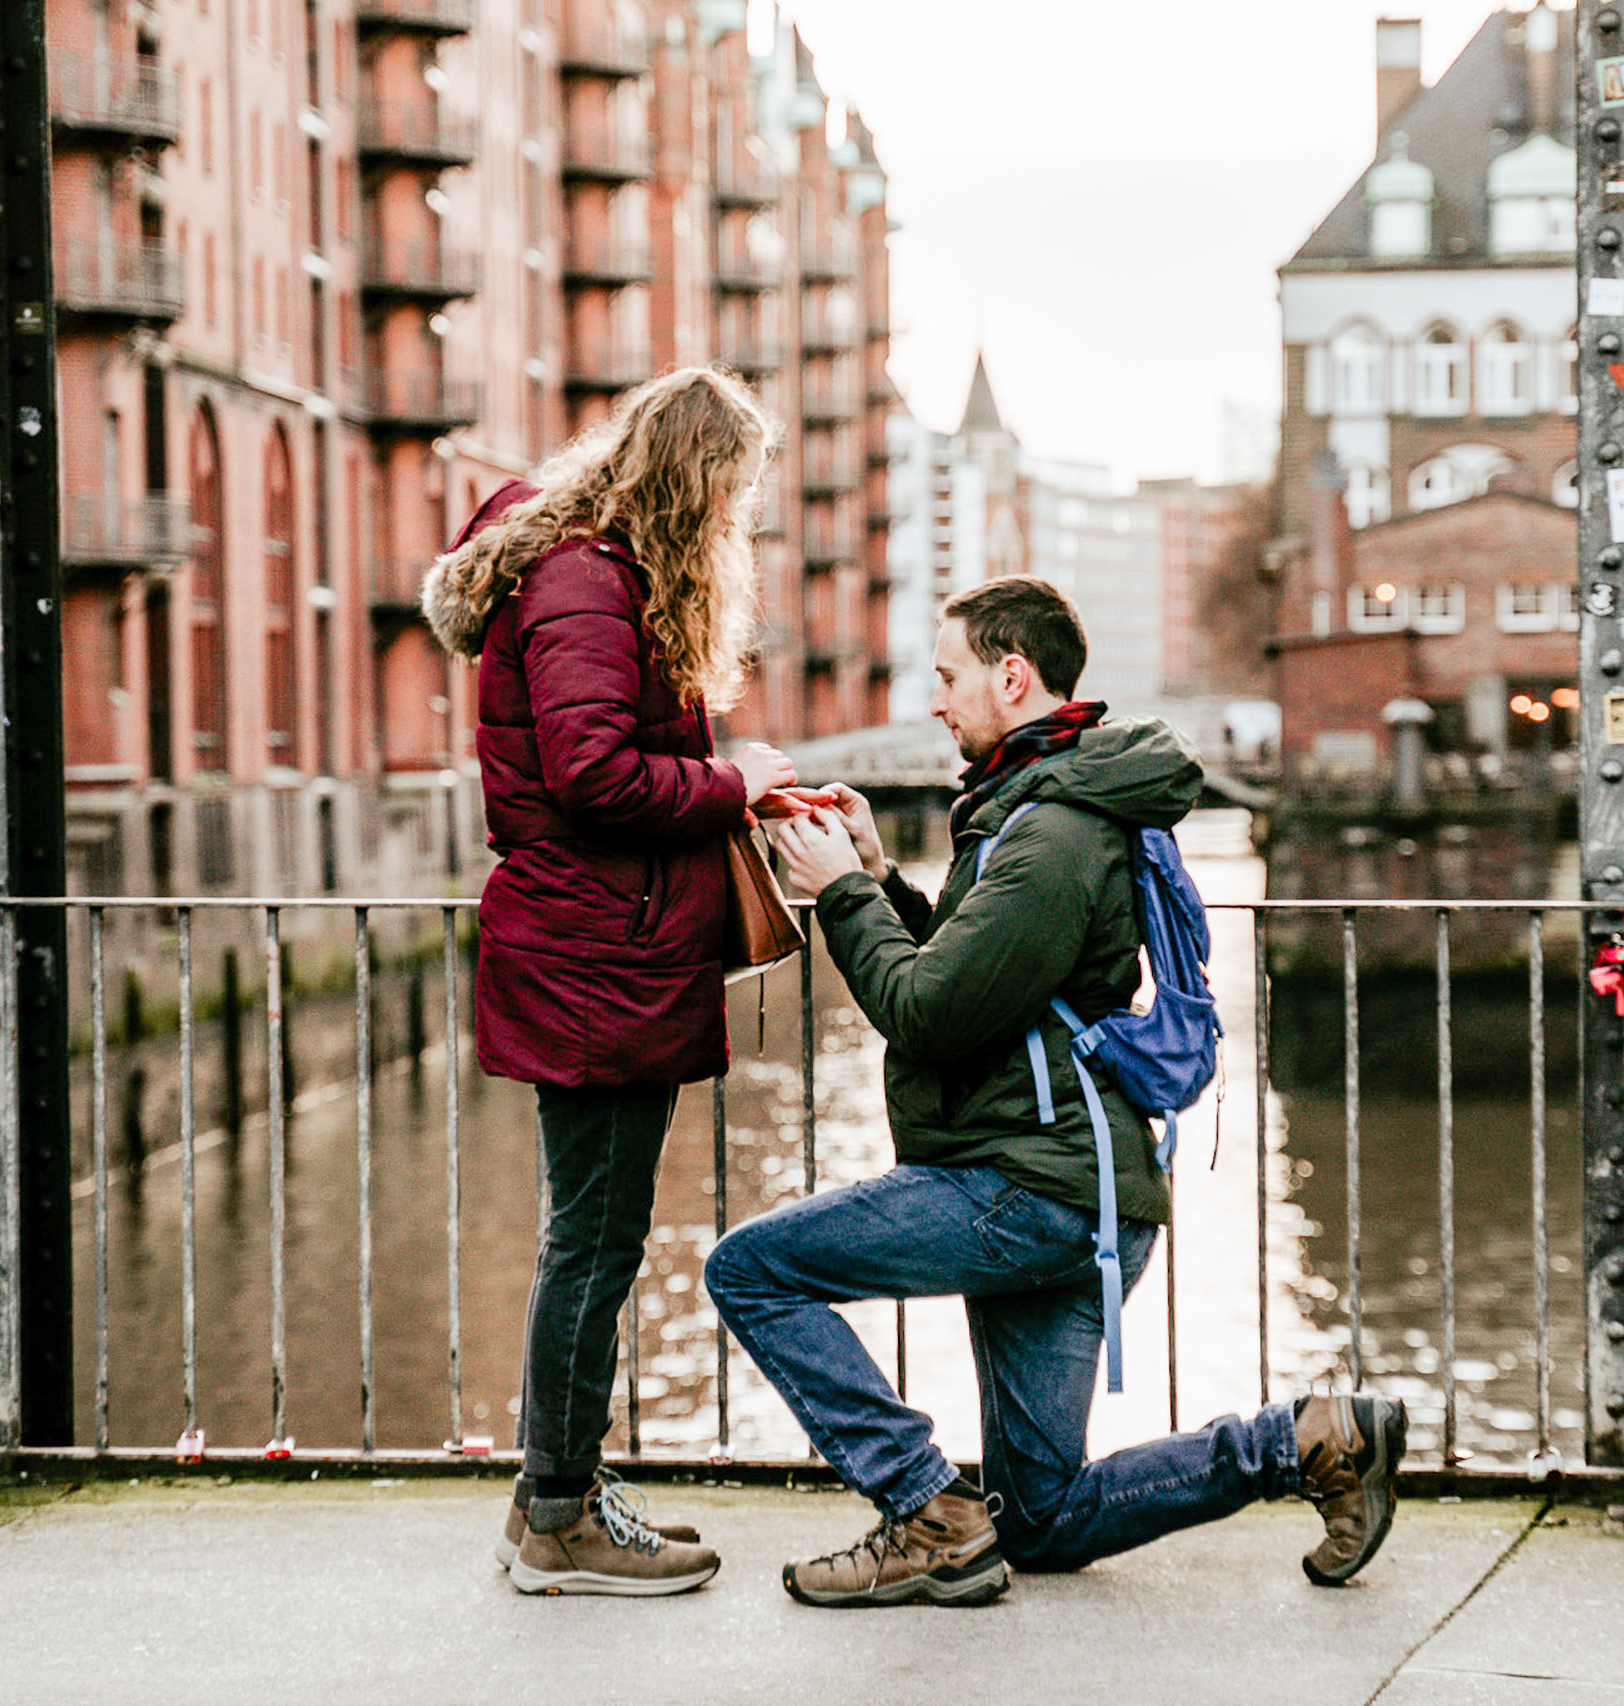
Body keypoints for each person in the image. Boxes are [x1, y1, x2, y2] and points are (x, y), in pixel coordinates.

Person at [704, 577, 1405, 1608]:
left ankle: (924, 1510)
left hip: (1027, 1186)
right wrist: (878, 871)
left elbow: (930, 1011)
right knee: (1039, 1517)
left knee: (750, 1269)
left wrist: (840, 897)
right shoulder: (1033, 804)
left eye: (947, 677)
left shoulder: (1052, 831)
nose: (935, 699)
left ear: (1011, 674)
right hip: (1070, 1185)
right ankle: (1307, 1440)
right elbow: (977, 972)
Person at [424, 366, 794, 1597]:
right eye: (733, 490)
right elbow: (592, 774)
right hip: (595, 950)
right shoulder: (587, 580)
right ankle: (555, 1517)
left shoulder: (591, 569)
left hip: (609, 946)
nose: (738, 517)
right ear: (694, 480)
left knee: (596, 1235)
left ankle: (563, 1487)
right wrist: (735, 781)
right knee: (589, 1240)